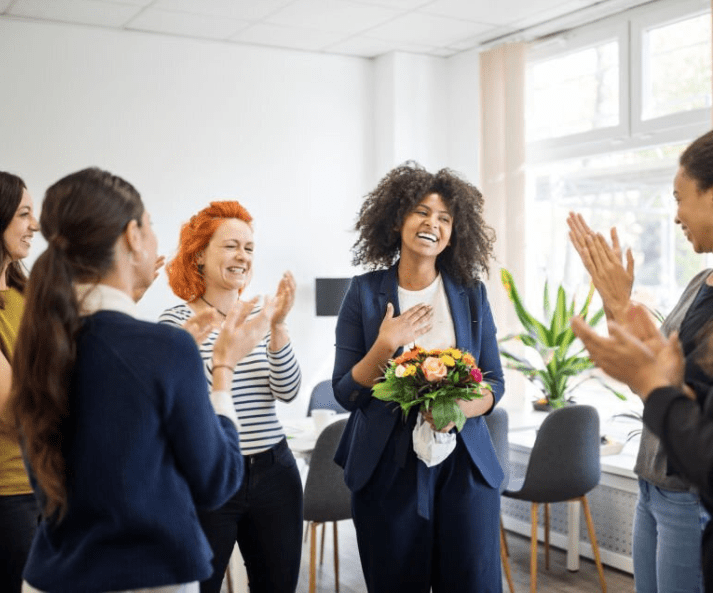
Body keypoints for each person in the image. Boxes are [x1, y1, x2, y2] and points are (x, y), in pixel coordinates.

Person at [571, 102, 713, 592]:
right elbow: (664, 384)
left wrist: (658, 383)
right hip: (657, 480)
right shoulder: (700, 283)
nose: (674, 215)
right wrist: (618, 306)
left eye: (679, 198)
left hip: (698, 493)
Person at [8, 167, 270, 593]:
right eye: (150, 227)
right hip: (149, 578)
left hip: (51, 576)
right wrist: (222, 369)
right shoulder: (164, 348)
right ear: (132, 235)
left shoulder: (40, 344)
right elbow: (217, 482)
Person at [332, 163, 505, 593]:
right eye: (421, 212)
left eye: (445, 218)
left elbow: (495, 382)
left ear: (454, 232)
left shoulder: (471, 293)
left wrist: (458, 408)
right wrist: (384, 345)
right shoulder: (363, 292)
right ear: (396, 220)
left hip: (464, 464)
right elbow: (345, 393)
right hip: (386, 468)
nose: (433, 223)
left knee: (472, 583)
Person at [160, 201, 303, 593]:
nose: (243, 256)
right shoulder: (177, 323)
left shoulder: (262, 317)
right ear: (199, 255)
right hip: (209, 478)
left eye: (249, 248)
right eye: (231, 246)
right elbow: (179, 404)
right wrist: (226, 357)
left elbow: (289, 391)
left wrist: (277, 328)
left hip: (275, 473)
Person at [0, 171, 39, 592]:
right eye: (24, 213)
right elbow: (13, 415)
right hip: (8, 494)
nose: (35, 225)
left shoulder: (25, 293)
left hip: (43, 484)